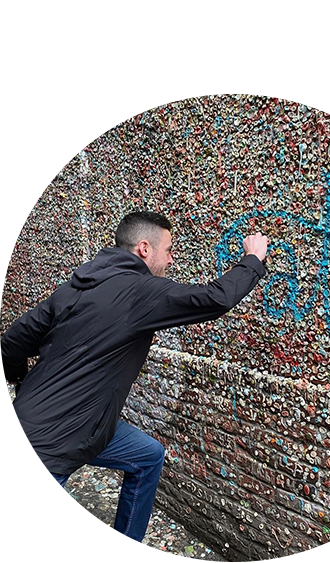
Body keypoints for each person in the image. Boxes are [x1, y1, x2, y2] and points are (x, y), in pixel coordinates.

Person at [0, 211, 268, 562]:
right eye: (169, 250)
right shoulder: (140, 291)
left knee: (147, 456)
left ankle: (126, 551)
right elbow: (213, 299)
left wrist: (23, 381)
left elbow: (8, 349)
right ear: (145, 248)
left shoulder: (70, 290)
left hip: (67, 424)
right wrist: (253, 259)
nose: (171, 259)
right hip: (47, 446)